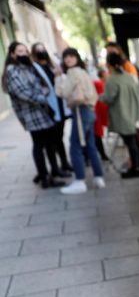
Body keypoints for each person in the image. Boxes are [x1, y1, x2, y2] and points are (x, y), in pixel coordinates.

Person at [2, 42, 64, 188]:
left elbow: (42, 86)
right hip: (31, 113)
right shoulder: (12, 70)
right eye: (19, 51)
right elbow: (22, 92)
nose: (23, 53)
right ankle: (44, 177)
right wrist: (43, 97)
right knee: (39, 144)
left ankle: (51, 172)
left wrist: (44, 93)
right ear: (12, 54)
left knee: (49, 142)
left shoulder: (28, 67)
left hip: (42, 111)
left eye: (25, 50)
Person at [54, 48, 105, 194]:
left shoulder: (72, 73)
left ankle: (80, 180)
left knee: (75, 146)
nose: (68, 59)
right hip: (90, 111)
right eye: (66, 57)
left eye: (71, 56)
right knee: (90, 145)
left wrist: (57, 77)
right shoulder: (84, 72)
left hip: (80, 111)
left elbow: (62, 93)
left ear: (76, 58)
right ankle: (98, 177)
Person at [31, 42, 73, 176]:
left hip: (60, 104)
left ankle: (64, 163)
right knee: (52, 139)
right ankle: (55, 168)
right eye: (38, 49)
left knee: (60, 136)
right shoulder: (35, 68)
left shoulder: (52, 66)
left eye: (42, 48)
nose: (41, 51)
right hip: (49, 108)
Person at [99, 52, 139, 179]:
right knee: (136, 141)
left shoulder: (112, 79)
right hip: (135, 113)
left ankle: (135, 168)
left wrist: (99, 96)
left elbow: (108, 98)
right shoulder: (129, 76)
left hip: (123, 115)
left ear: (108, 65)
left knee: (131, 143)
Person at [93, 68, 110, 161]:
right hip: (98, 112)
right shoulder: (98, 84)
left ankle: (102, 154)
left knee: (97, 134)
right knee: (97, 134)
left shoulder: (102, 84)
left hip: (100, 111)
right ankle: (102, 154)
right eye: (106, 73)